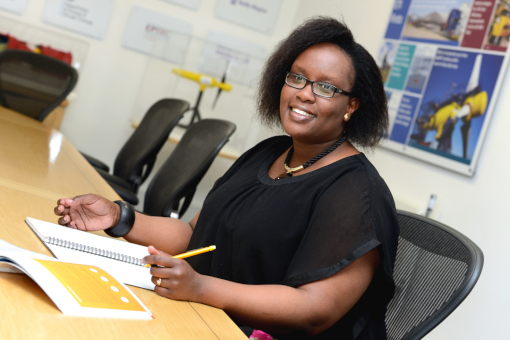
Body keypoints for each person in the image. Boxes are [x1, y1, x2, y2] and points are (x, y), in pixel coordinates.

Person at [55, 17, 399, 339]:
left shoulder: (358, 193)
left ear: (351, 106)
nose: (304, 93)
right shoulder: (269, 153)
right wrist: (118, 217)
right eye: (296, 77)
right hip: (201, 318)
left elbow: (315, 309)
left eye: (325, 87)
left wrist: (201, 287)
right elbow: (193, 234)